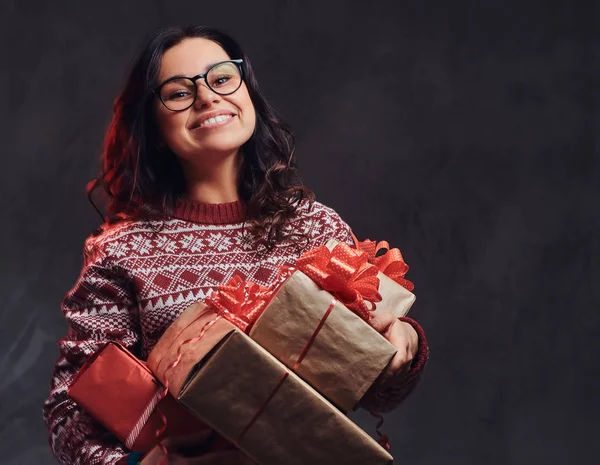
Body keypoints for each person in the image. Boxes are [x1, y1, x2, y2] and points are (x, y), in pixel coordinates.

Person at [42, 25, 429, 465]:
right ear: (154, 126)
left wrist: (404, 344)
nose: (207, 97)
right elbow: (68, 412)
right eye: (178, 92)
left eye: (221, 78)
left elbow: (377, 391)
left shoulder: (314, 227)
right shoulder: (122, 251)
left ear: (248, 93)